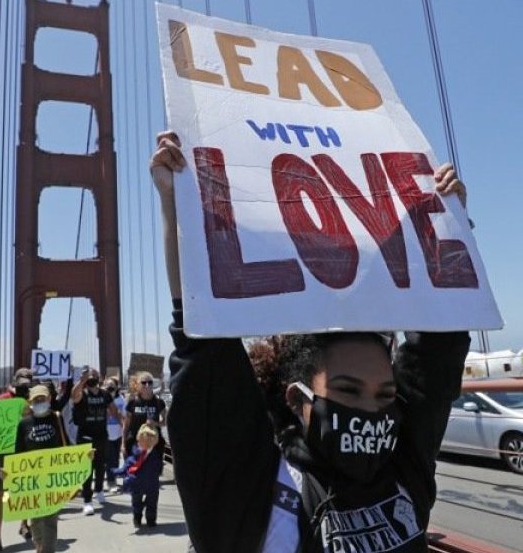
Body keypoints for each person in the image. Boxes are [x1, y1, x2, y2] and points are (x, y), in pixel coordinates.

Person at [151, 130, 471, 552]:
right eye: (346, 390)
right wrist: (179, 207)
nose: (369, 411)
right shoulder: (257, 494)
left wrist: (447, 224)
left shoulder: (403, 469)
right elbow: (200, 342)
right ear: (297, 399)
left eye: (384, 395)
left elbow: (437, 354)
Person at [13, 384, 71, 553]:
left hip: (53, 477)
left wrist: (83, 458)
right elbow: (18, 452)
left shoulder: (57, 418)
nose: (39, 401)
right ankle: (39, 546)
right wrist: (11, 473)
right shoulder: (24, 424)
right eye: (36, 399)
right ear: (30, 401)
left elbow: (66, 444)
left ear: (49, 399)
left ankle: (47, 550)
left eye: (42, 398)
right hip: (32, 479)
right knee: (36, 518)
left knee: (51, 517)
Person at [0, 368, 34, 552]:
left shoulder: (35, 400)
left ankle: (24, 523)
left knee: (25, 492)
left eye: (27, 385)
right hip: (6, 453)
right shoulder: (4, 399)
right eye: (22, 385)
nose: (24, 388)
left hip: (26, 454)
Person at [71, 367, 119, 515]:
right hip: (85, 436)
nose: (92, 378)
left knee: (100, 465)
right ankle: (87, 500)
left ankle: (99, 490)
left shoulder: (105, 394)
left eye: (95, 376)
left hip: (101, 435)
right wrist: (82, 381)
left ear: (100, 378)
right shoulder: (83, 393)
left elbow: (113, 410)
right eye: (89, 377)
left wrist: (121, 421)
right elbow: (74, 396)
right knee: (87, 469)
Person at [112, 424, 164, 530]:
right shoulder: (136, 455)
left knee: (151, 502)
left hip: (149, 484)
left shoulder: (153, 455)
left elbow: (158, 467)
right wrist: (113, 471)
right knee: (138, 503)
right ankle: (138, 517)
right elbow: (125, 468)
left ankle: (150, 519)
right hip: (140, 484)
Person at [122, 371, 166, 458]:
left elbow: (165, 422)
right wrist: (123, 445)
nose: (147, 385)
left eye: (150, 382)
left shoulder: (159, 402)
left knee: (152, 471)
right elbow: (126, 425)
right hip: (134, 445)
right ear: (138, 385)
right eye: (144, 383)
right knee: (134, 471)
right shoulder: (132, 402)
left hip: (153, 445)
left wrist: (155, 423)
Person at [103, 377, 128, 491]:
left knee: (115, 458)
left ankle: (114, 480)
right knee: (109, 459)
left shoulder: (121, 400)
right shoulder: (102, 399)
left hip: (117, 433)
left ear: (117, 387)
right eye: (108, 386)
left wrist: (115, 413)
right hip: (105, 433)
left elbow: (124, 418)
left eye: (112, 386)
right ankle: (111, 482)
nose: (110, 388)